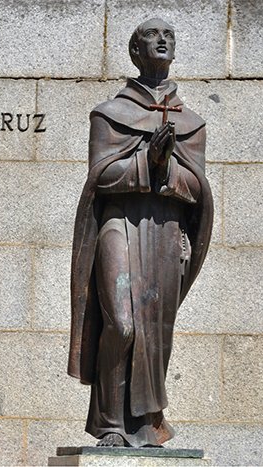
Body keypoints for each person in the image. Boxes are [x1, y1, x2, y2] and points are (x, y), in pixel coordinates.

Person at [69, 18, 213, 448]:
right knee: (123, 325)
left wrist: (166, 166)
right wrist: (145, 161)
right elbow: (101, 177)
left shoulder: (192, 122)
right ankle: (109, 422)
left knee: (158, 330)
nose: (163, 40)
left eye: (170, 34)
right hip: (118, 224)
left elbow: (197, 189)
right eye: (152, 35)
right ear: (135, 50)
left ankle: (149, 422)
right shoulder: (110, 114)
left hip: (167, 232)